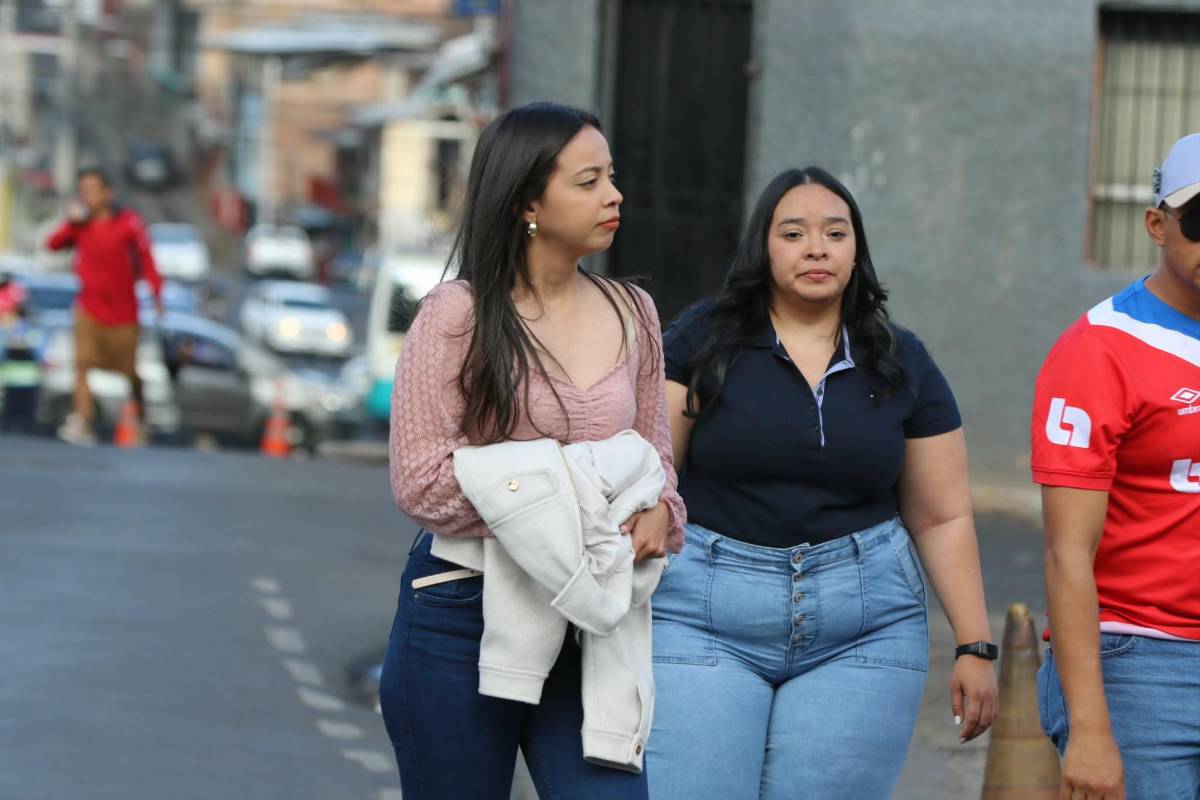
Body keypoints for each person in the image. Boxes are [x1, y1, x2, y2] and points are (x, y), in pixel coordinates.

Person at [646, 167, 998, 799]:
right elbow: (651, 486)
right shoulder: (703, 340)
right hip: (704, 616)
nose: (817, 248)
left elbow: (942, 516)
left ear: (856, 250)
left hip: (863, 626)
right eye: (794, 233)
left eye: (835, 233)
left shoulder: (900, 359)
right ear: (763, 247)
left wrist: (975, 645)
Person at [382, 102, 685, 799]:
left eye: (612, 177)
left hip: (591, 622)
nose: (614, 196)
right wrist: (591, 506)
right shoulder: (457, 314)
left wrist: (662, 513)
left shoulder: (633, 311)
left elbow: (656, 462)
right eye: (587, 181)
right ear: (527, 200)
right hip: (461, 610)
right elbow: (422, 482)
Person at [1033, 133, 1200, 800]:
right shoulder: (1101, 350)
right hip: (1142, 665)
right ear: (1157, 225)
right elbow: (1065, 553)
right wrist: (1091, 726)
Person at [45, 167, 163, 446]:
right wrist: (72, 223)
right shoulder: (80, 226)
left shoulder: (129, 224)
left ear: (108, 193)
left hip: (123, 312)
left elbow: (147, 260)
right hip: (88, 308)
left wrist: (157, 295)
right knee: (82, 365)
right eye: (82, 190)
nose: (86, 196)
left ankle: (139, 417)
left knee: (130, 372)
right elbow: (53, 244)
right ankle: (83, 420)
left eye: (92, 190)